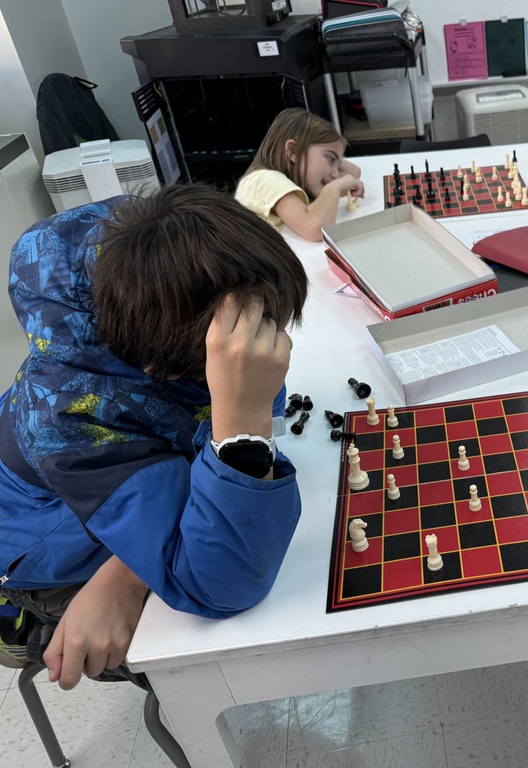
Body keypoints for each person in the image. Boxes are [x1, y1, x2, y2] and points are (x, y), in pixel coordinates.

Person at [0, 184, 309, 690]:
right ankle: (27, 623)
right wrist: (242, 419)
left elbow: (246, 397)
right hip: (38, 552)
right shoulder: (70, 425)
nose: (265, 348)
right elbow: (220, 585)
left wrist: (127, 572)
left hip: (121, 485)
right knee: (197, 661)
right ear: (157, 367)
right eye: (237, 347)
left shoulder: (152, 265)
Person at [236, 108, 364, 242]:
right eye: (330, 159)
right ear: (293, 152)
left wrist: (334, 154)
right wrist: (334, 188)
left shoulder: (287, 179)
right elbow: (316, 229)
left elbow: (354, 172)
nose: (336, 175)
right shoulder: (265, 180)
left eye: (338, 165)